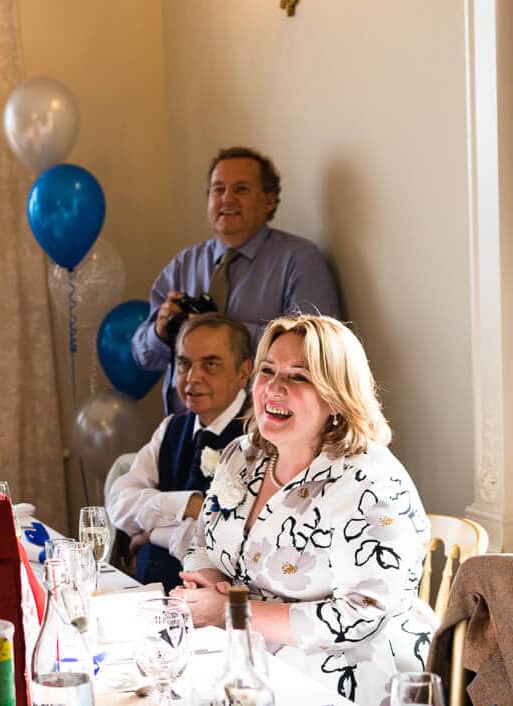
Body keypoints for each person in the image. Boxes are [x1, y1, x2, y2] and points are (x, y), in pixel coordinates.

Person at [171, 315, 434, 704]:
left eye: (299, 376)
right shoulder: (242, 456)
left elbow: (361, 617)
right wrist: (207, 585)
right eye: (267, 371)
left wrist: (231, 610)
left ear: (336, 396)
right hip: (242, 657)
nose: (274, 388)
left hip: (345, 673)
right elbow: (202, 542)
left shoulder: (371, 482)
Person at [131, 146, 341, 414]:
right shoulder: (183, 265)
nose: (227, 199)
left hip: (261, 428)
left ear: (269, 201)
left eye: (241, 189)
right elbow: (142, 357)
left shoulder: (300, 262)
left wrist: (230, 335)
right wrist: (160, 333)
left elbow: (313, 350)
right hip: (187, 430)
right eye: (218, 190)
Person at [107, 314, 250, 590]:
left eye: (211, 364)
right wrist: (190, 505)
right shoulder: (171, 428)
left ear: (243, 372)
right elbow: (119, 501)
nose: (193, 377)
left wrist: (153, 534)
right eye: (184, 364)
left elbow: (230, 539)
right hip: (145, 593)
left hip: (212, 607)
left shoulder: (256, 435)